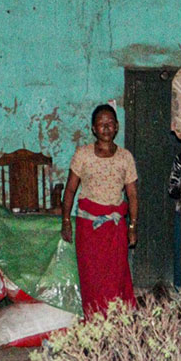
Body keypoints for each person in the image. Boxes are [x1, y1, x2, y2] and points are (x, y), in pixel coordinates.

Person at [60, 104, 139, 316]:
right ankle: (94, 326)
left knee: (116, 279)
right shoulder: (83, 155)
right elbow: (70, 190)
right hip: (89, 229)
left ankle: (114, 327)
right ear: (94, 129)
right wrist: (66, 221)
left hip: (115, 229)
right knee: (92, 279)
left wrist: (132, 226)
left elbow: (132, 195)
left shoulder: (125, 157)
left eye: (110, 123)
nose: (106, 128)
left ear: (117, 127)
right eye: (101, 124)